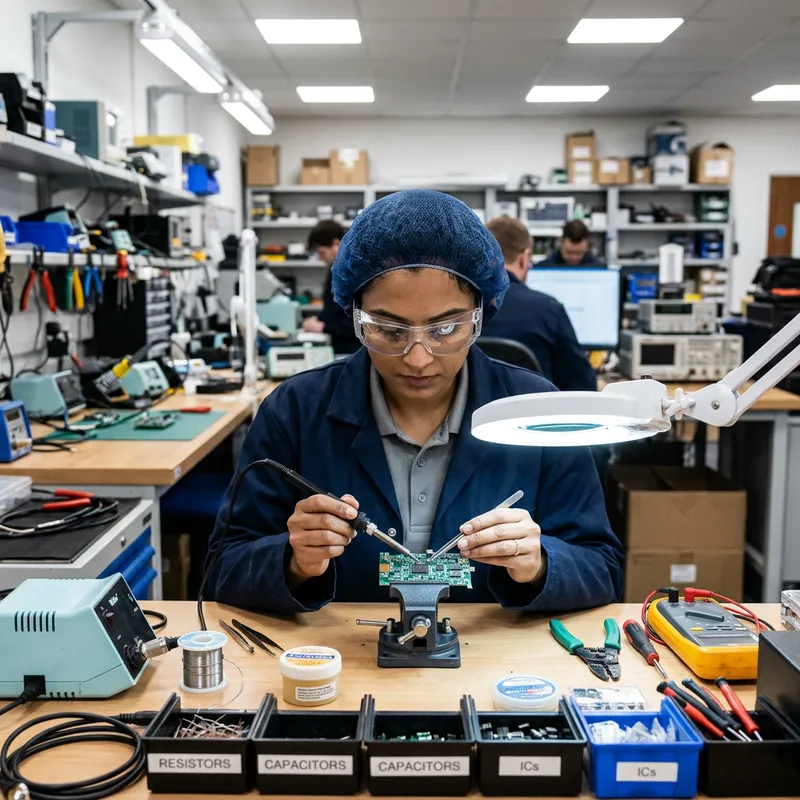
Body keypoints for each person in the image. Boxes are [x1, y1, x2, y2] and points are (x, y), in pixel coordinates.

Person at [206, 190, 623, 615]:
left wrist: (539, 564)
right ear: (356, 318)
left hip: (496, 674)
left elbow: (603, 569)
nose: (419, 358)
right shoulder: (294, 412)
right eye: (389, 330)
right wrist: (295, 561)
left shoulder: (537, 412)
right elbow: (222, 568)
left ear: (480, 316)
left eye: (446, 330)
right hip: (340, 668)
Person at [482, 217, 597, 391]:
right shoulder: (549, 309)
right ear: (524, 258)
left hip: (477, 416)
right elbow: (583, 384)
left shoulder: (464, 309)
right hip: (536, 415)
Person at [301, 219, 361, 354]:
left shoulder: (354, 272)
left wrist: (323, 327)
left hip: (353, 350)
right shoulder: (335, 269)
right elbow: (332, 309)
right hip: (337, 346)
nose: (321, 258)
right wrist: (318, 319)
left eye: (322, 252)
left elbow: (358, 323)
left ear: (336, 243)